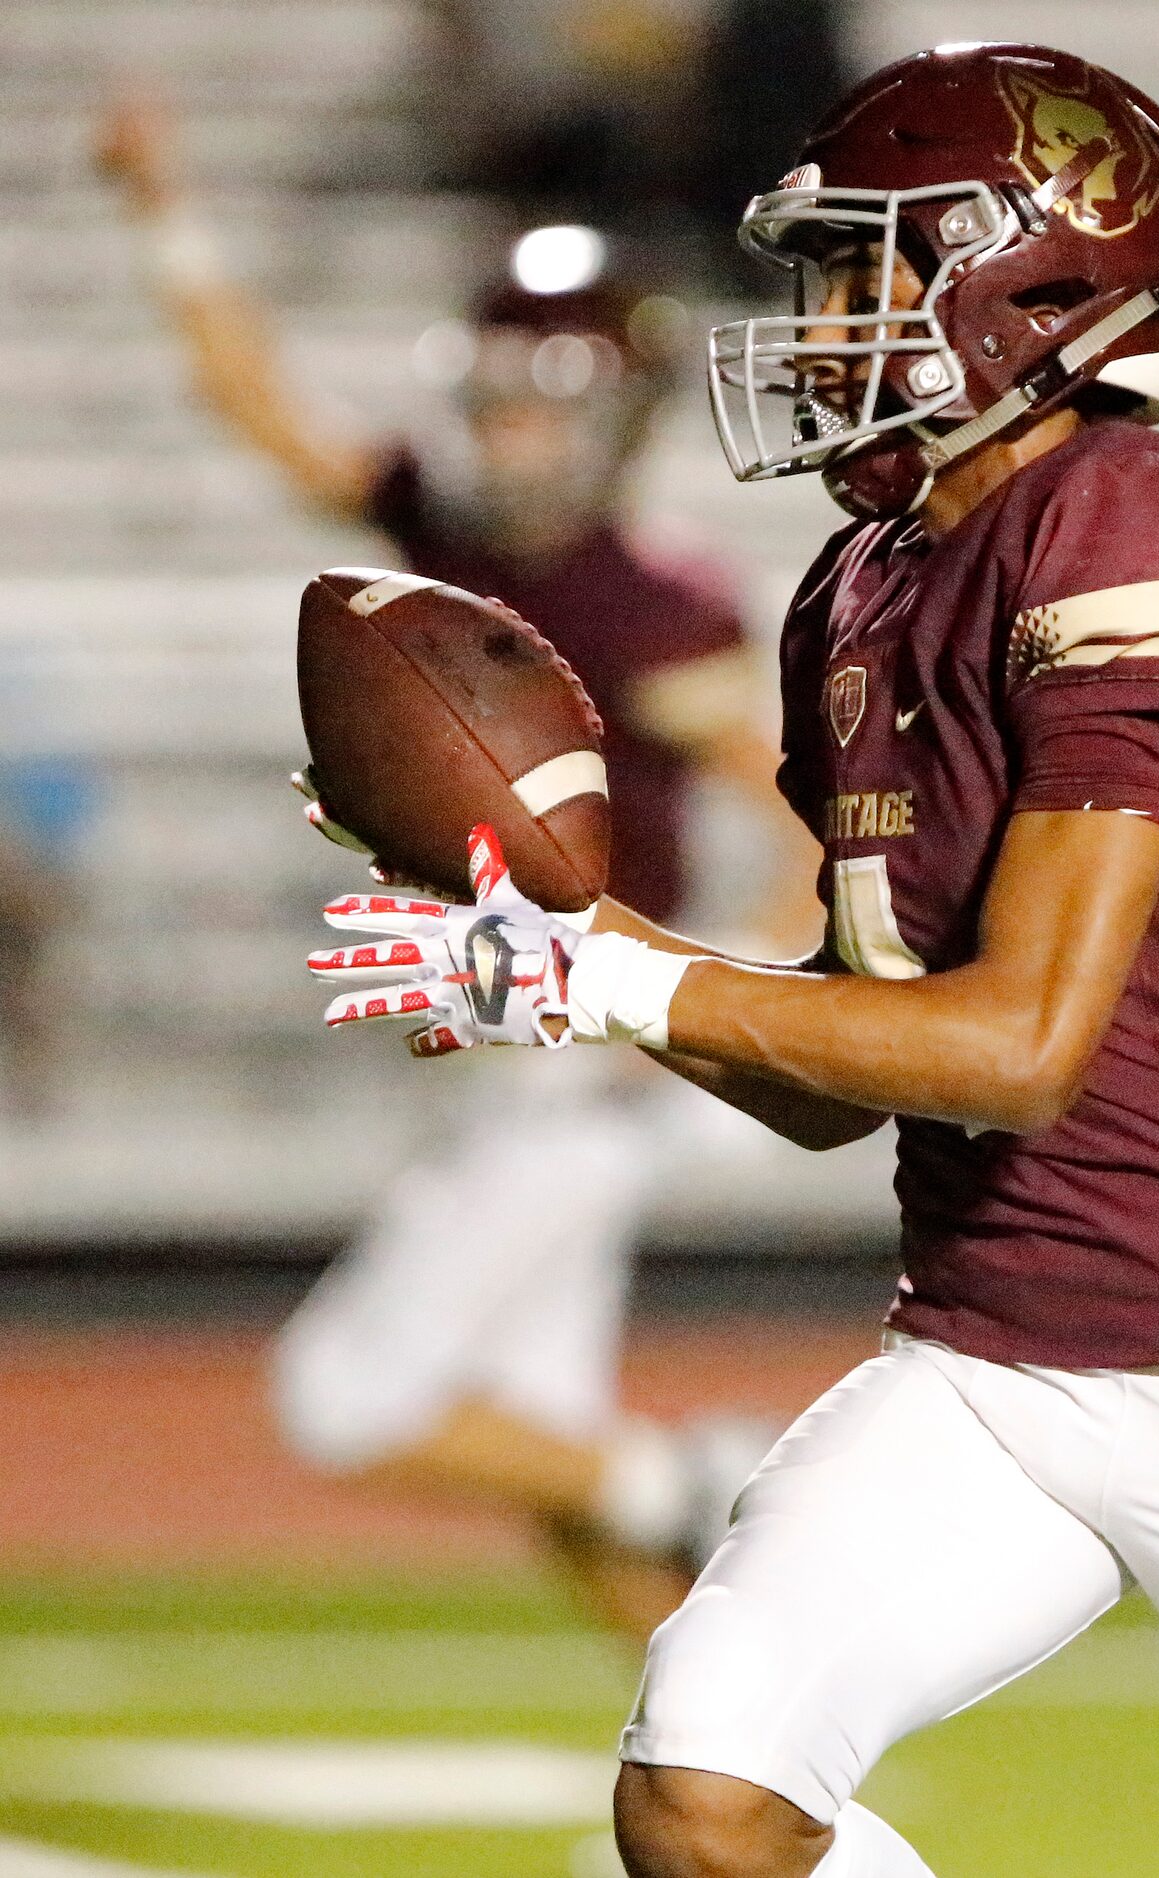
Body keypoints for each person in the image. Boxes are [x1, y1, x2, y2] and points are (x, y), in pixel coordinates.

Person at [307, 42, 1159, 1878]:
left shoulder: (1127, 514)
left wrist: (612, 987)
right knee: (705, 1793)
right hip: (992, 1362)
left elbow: (1019, 1049)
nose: (823, 318)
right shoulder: (857, 587)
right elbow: (848, 1093)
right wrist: (573, 942)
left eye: (868, 268)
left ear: (1035, 275)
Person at [99, 95, 816, 1636]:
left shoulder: (654, 601)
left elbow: (802, 835)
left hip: (577, 1048)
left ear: (614, 417)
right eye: (494, 400)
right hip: (506, 1032)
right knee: (539, 1444)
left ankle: (709, 1481)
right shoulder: (445, 523)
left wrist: (686, 1016)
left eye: (544, 404)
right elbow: (257, 402)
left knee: (351, 1394)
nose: (511, 435)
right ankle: (743, 1808)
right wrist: (169, 213)